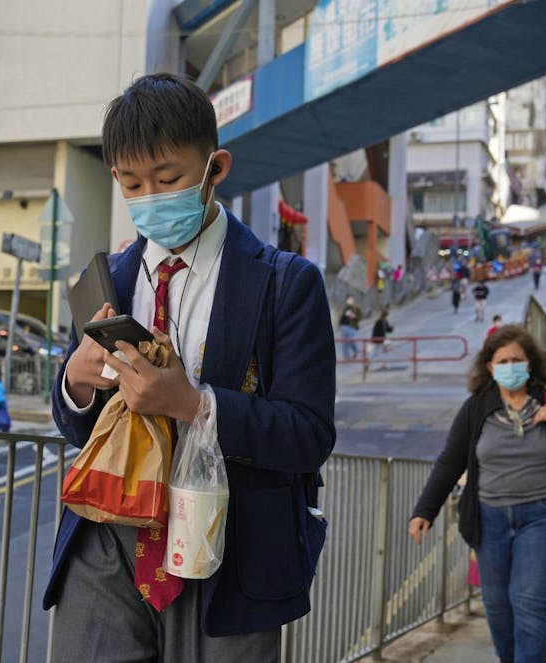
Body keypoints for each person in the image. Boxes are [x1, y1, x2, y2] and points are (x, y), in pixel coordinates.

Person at [45, 73, 335, 662]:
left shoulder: (285, 283)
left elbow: (308, 435)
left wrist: (193, 405)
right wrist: (75, 380)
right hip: (108, 534)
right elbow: (81, 425)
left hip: (229, 544)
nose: (150, 196)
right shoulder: (108, 279)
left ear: (215, 168)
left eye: (169, 179)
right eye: (132, 183)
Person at [408, 326, 546, 663]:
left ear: (530, 365)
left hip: (543, 514)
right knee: (497, 605)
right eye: (503, 361)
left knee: (529, 600)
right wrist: (425, 510)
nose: (511, 366)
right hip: (490, 518)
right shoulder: (476, 408)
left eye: (517, 360)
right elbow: (450, 462)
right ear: (490, 368)